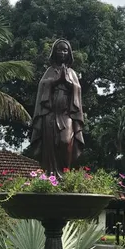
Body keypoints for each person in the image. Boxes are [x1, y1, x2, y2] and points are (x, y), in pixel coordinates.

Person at [30, 39, 84, 177]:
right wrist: (54, 82)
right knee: (50, 145)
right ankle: (51, 175)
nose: (62, 52)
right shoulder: (49, 71)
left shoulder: (71, 72)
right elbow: (42, 86)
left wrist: (68, 83)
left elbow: (78, 89)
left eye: (65, 50)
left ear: (69, 53)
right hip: (50, 114)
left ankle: (64, 174)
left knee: (65, 142)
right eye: (59, 49)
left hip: (66, 114)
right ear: (54, 52)